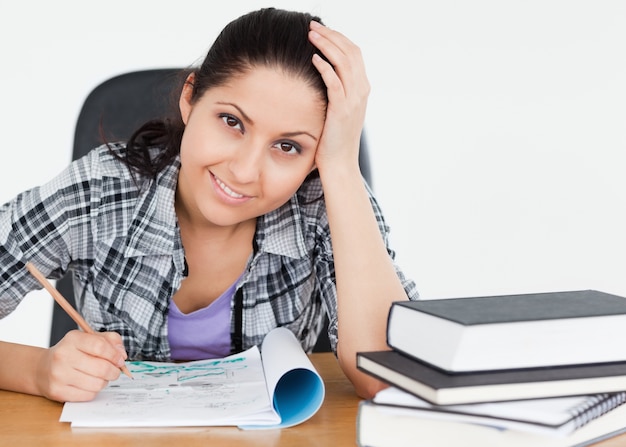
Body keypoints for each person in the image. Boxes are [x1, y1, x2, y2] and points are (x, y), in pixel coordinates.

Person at [0, 7, 418, 403]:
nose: (245, 170)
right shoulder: (98, 192)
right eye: (232, 122)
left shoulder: (326, 202)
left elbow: (387, 377)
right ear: (190, 98)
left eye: (288, 146)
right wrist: (38, 370)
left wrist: (342, 168)